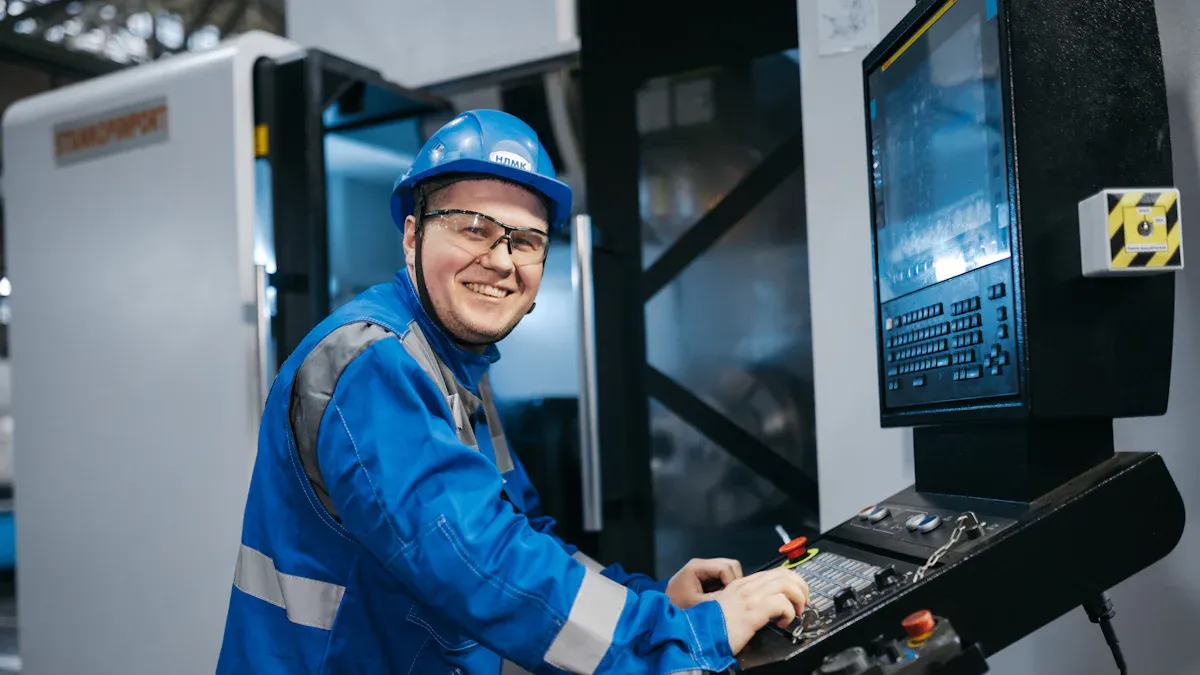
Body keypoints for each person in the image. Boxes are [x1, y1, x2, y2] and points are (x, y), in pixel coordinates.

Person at [215, 109, 809, 674]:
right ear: (412, 237)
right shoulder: (373, 363)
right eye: (474, 228)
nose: (500, 260)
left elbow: (519, 534)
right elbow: (482, 564)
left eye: (525, 240)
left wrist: (653, 605)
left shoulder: (454, 363)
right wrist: (685, 638)